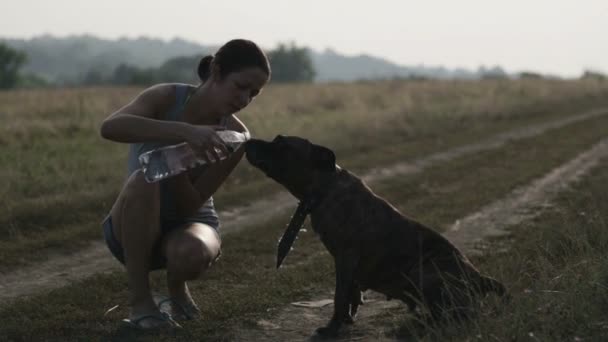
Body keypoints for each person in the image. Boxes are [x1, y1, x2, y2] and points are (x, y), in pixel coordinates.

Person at [99, 39, 270, 330]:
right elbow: (110, 127)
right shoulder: (165, 97)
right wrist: (184, 133)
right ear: (216, 71)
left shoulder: (236, 137)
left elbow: (189, 205)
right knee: (145, 177)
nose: (244, 99)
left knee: (190, 253)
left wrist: (178, 162)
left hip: (188, 223)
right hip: (132, 223)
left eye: (253, 94)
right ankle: (142, 305)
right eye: (240, 86)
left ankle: (177, 289)